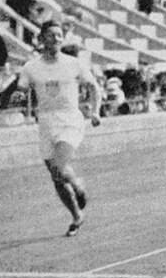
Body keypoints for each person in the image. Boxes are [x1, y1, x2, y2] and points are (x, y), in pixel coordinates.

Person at [17, 20, 102, 237]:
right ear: (41, 38)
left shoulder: (74, 63)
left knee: (58, 167)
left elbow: (93, 87)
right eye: (51, 35)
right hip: (45, 122)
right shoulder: (31, 66)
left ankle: (78, 186)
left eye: (59, 35)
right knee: (55, 175)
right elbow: (21, 91)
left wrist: (96, 111)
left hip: (70, 119)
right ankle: (76, 216)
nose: (56, 39)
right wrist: (18, 99)